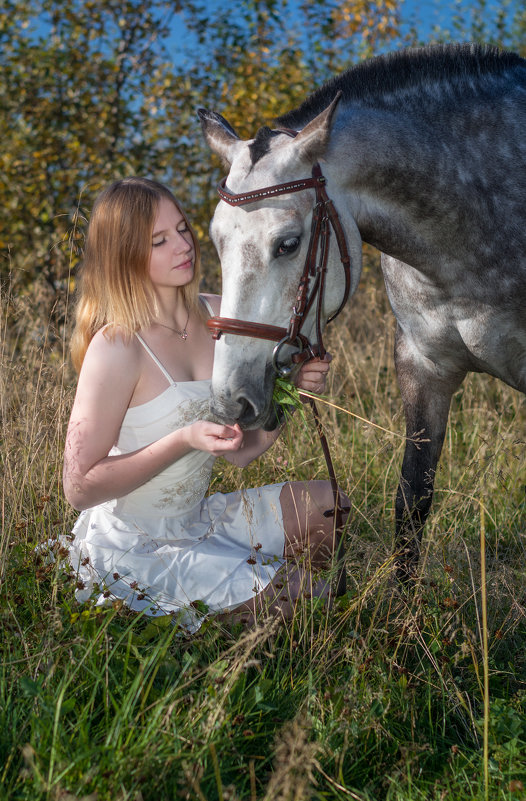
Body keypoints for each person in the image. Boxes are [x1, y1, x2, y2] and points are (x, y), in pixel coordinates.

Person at [63, 176, 349, 632]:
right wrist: (182, 440)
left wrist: (295, 389)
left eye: (182, 229)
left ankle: (256, 598)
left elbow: (244, 452)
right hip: (137, 543)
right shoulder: (116, 346)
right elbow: (79, 487)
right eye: (159, 241)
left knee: (331, 507)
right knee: (308, 598)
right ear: (125, 257)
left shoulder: (219, 318)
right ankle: (241, 613)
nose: (182, 245)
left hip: (201, 518)